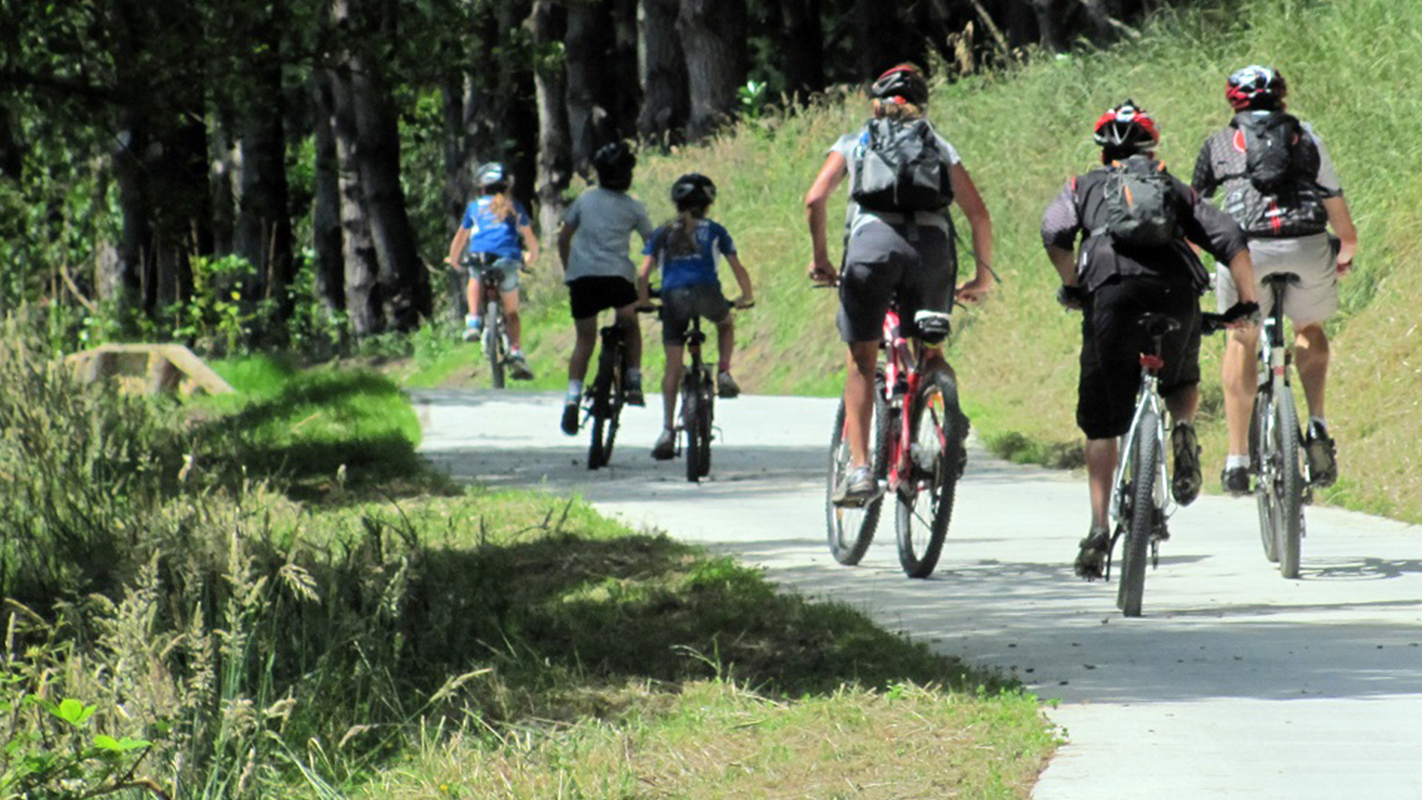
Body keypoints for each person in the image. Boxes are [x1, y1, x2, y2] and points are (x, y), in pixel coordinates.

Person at [1041, 99, 1259, 580]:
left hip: (1111, 291)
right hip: (1176, 291)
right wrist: (1245, 304)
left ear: (1103, 153)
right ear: (1150, 149)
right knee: (1180, 377)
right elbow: (1231, 238)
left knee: (1101, 421)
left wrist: (1074, 286)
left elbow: (1054, 231)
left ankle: (1099, 531)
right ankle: (1182, 430)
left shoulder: (1081, 186)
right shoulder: (1174, 189)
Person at [804, 63, 995, 506]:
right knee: (931, 348)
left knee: (862, 361)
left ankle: (858, 472)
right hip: (931, 252)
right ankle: (947, 411)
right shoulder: (938, 144)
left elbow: (815, 199)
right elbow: (978, 214)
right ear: (921, 105)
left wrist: (822, 261)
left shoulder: (856, 140)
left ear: (876, 103)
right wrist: (982, 277)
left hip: (872, 250)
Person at [1192, 65, 1359, 494]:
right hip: (1305, 245)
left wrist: (1193, 269)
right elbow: (1340, 218)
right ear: (1282, 98)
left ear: (1234, 102)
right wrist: (1343, 253)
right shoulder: (1306, 138)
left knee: (1241, 338)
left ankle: (1236, 458)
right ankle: (1317, 423)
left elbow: (1194, 215)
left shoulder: (1218, 144)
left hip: (1245, 251)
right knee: (1309, 327)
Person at [637, 173, 755, 461]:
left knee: (673, 367)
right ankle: (724, 372)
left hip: (673, 297)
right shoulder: (715, 230)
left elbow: (642, 274)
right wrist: (745, 297)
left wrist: (643, 301)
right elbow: (738, 268)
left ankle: (667, 430)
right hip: (706, 293)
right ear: (708, 203)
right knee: (725, 323)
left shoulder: (662, 232)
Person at [557, 141, 655, 435]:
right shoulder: (634, 208)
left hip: (582, 278)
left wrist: (570, 270)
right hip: (618, 279)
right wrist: (647, 281)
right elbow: (652, 243)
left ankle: (573, 396)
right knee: (630, 323)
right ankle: (635, 379)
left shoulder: (585, 200)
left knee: (584, 340)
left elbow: (563, 239)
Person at [443, 162, 539, 380]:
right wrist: (531, 257)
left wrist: (454, 259)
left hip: (481, 258)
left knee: (474, 275)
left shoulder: (475, 208)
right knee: (512, 312)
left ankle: (474, 320)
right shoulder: (514, 207)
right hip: (508, 260)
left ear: (482, 188)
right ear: (506, 187)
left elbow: (461, 237)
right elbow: (529, 238)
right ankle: (515, 350)